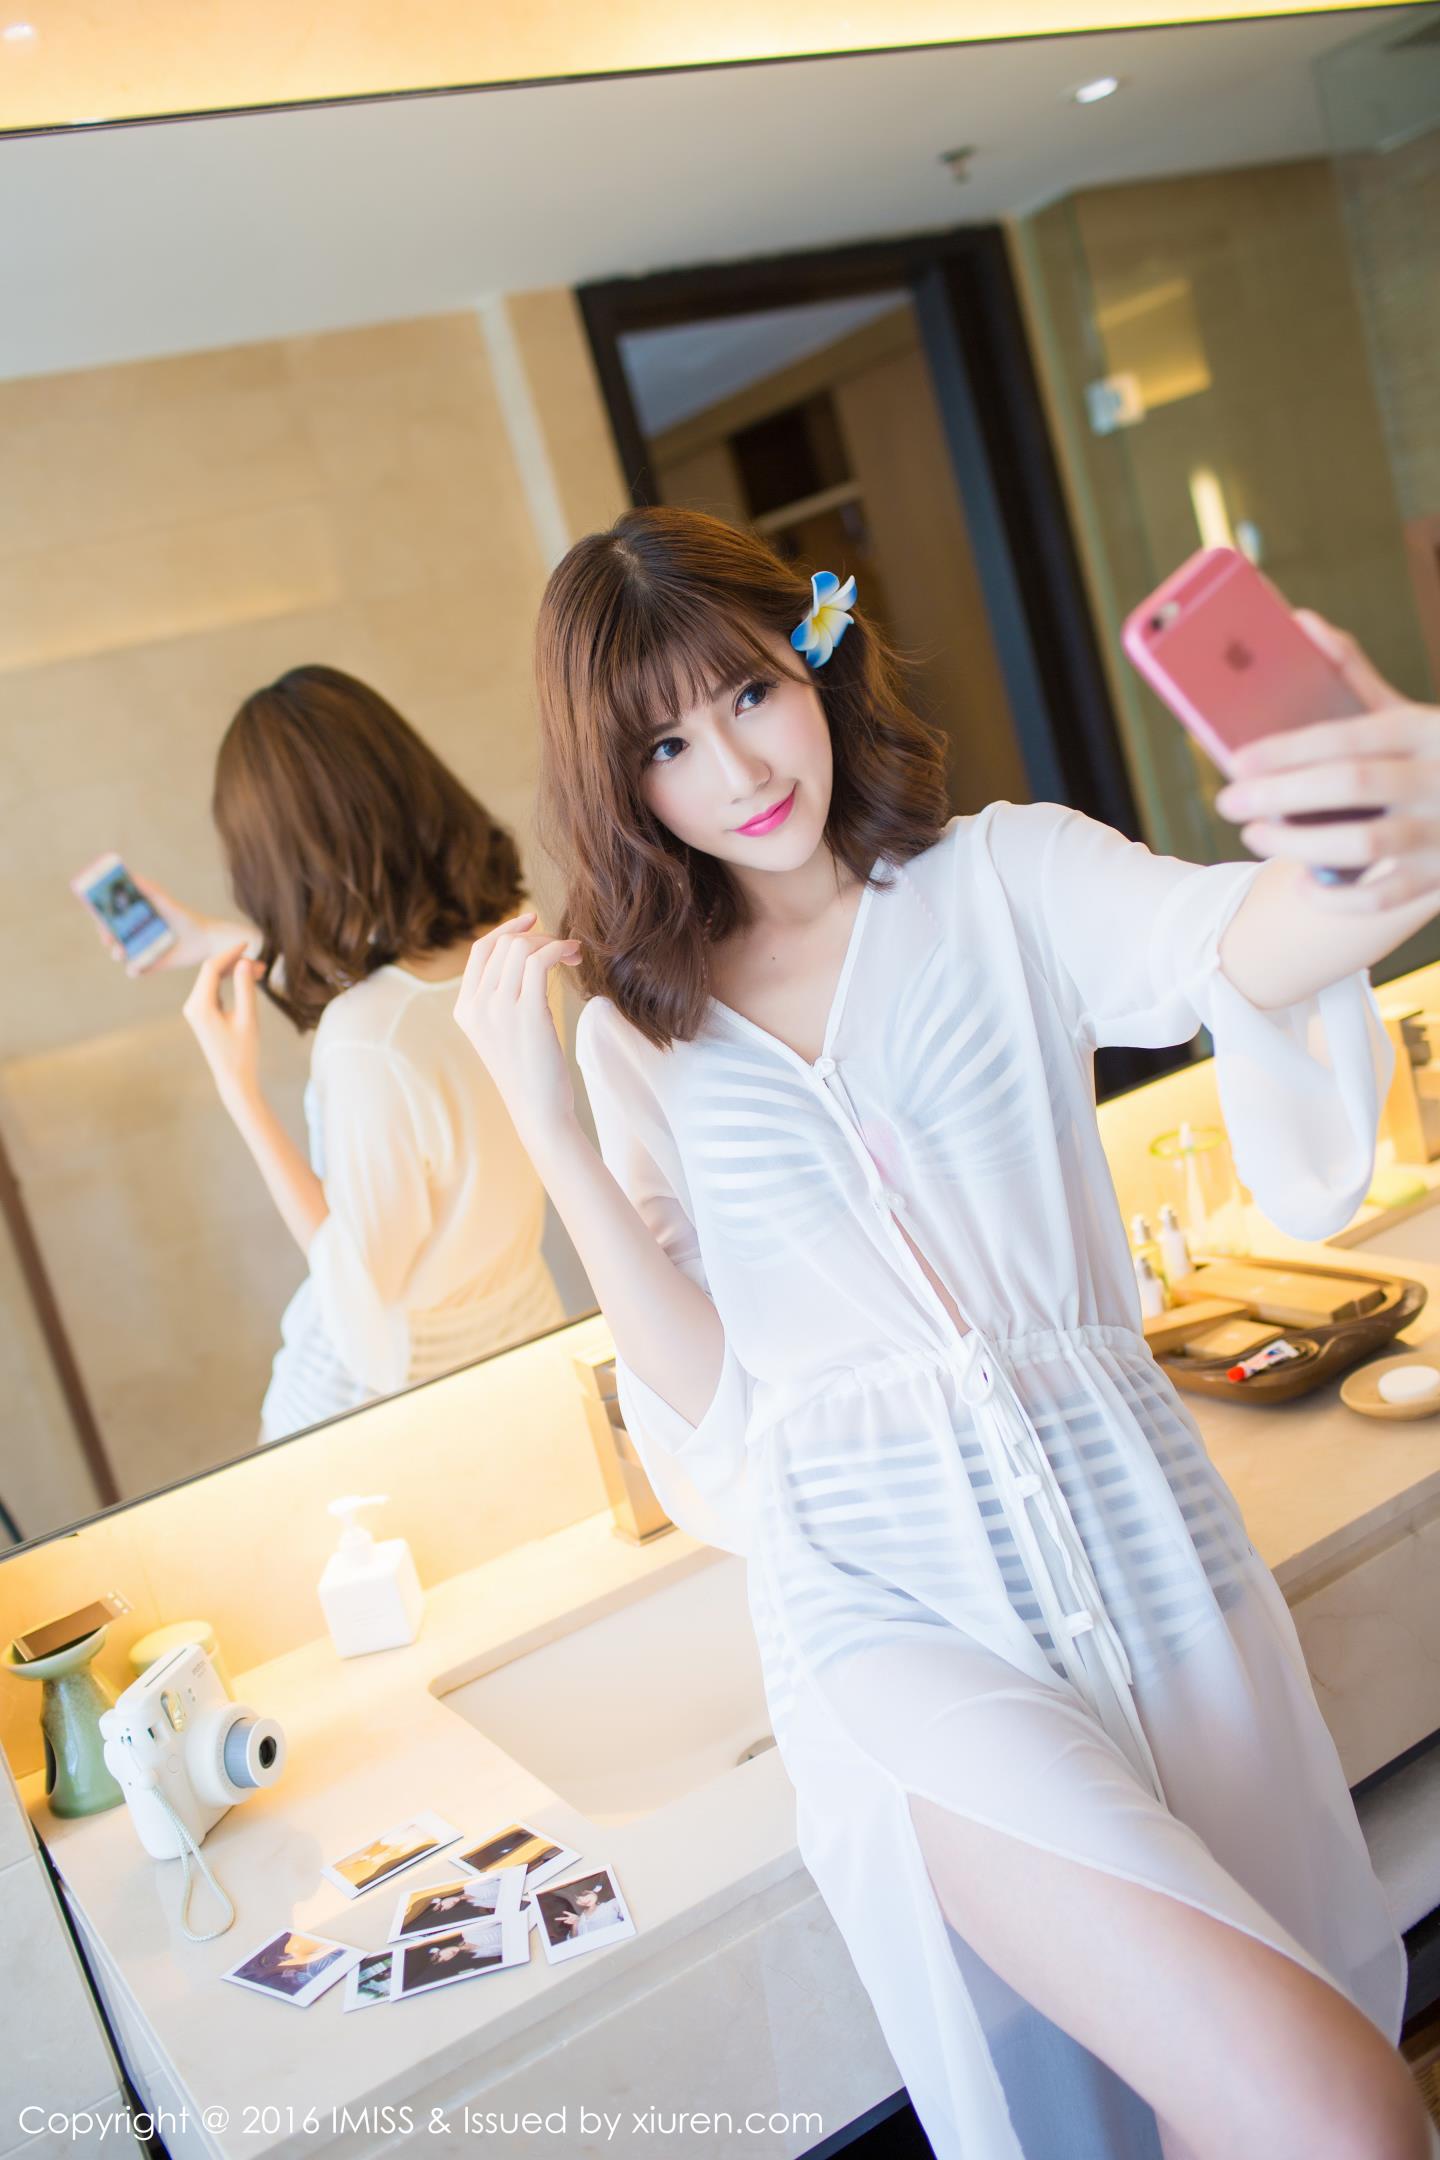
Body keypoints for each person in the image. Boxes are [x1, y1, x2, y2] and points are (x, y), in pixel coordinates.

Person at [453, 506, 1440, 2160]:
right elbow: (715, 1413)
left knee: (1247, 2096)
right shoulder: (640, 1039)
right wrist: (553, 1131)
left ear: (816, 659)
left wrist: (1394, 830)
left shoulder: (1005, 878)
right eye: (668, 745)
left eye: (752, 693)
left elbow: (1245, 943)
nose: (737, 769)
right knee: (1338, 2113)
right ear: (621, 784)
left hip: (1152, 1545)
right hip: (890, 1616)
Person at [95, 665, 566, 1442]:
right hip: (521, 1339)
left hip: (378, 1397)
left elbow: (357, 1293)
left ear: (278, 860)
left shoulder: (364, 1039)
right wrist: (215, 941)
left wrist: (240, 1093)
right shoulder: (514, 935)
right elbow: (401, 996)